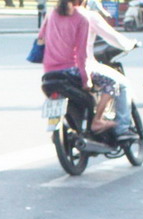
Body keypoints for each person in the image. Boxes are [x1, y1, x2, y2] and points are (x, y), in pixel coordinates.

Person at [39, 0, 134, 136]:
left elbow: (40, 39)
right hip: (73, 70)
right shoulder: (84, 17)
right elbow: (81, 54)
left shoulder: (51, 14)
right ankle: (101, 122)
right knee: (114, 83)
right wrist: (86, 79)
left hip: (49, 72)